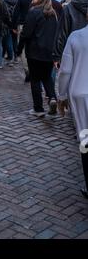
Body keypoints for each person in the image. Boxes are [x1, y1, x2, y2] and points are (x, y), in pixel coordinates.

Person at [57, 22, 88, 198]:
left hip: (81, 94)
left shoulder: (76, 37)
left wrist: (61, 96)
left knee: (85, 139)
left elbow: (65, 70)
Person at [17, 0, 58, 117]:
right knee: (47, 77)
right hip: (49, 52)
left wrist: (19, 48)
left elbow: (26, 33)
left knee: (35, 79)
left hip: (34, 51)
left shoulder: (34, 12)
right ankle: (52, 98)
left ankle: (38, 108)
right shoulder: (53, 14)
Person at [53, 0, 88, 67]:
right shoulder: (68, 9)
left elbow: (62, 33)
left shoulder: (68, 9)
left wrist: (56, 56)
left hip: (74, 53)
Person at [12, 0, 40, 81]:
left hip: (23, 25)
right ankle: (34, 69)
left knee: (23, 47)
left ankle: (27, 69)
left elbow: (16, 12)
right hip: (37, 25)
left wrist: (14, 26)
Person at [3, 0, 19, 64]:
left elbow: (4, 13)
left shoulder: (3, 0)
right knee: (15, 40)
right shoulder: (18, 0)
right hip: (15, 23)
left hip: (7, 23)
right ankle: (16, 56)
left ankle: (10, 56)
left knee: (8, 40)